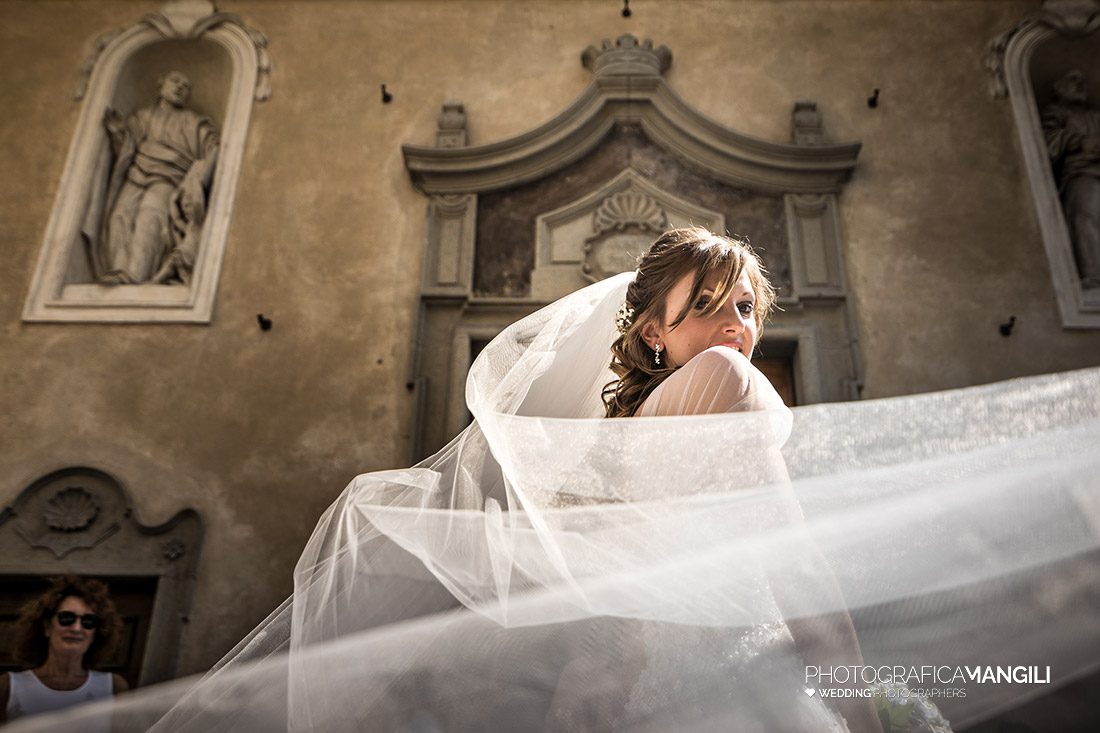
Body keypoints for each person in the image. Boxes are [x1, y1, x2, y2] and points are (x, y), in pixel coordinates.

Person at [9, 231, 1099, 732]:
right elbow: (785, 549)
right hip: (734, 678)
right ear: (656, 333)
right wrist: (856, 684)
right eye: (710, 305)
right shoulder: (718, 380)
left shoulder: (620, 431)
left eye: (749, 305)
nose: (736, 325)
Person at [86, 70, 220, 285]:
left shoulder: (194, 122)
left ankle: (136, 275)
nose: (180, 88)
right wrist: (119, 133)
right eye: (175, 81)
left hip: (169, 178)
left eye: (186, 87)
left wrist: (198, 177)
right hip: (136, 174)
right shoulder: (142, 117)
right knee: (119, 217)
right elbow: (125, 152)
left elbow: (214, 149)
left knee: (150, 219)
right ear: (161, 84)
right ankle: (118, 270)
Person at [0, 575, 128, 727]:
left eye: (88, 621)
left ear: (96, 633)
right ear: (47, 627)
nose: (76, 628)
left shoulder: (113, 687)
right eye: (66, 618)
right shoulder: (8, 686)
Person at [1042, 68, 1100, 289]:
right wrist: (1078, 141)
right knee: (1086, 216)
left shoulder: (1096, 116)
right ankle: (1093, 274)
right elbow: (1048, 141)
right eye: (1072, 79)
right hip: (1081, 174)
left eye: (1083, 79)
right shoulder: (1056, 113)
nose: (1080, 83)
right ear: (1058, 88)